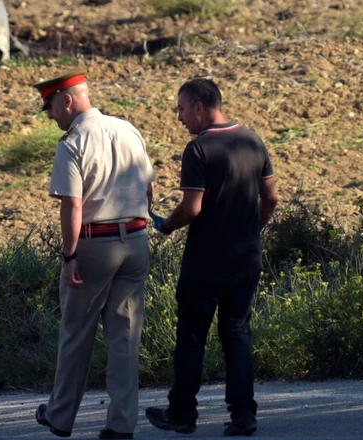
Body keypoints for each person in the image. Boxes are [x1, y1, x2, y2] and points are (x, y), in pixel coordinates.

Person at [143, 77, 279, 437]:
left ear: (200, 107)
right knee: (237, 333)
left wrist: (166, 226)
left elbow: (192, 207)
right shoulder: (252, 139)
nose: (179, 117)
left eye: (182, 109)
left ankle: (183, 413)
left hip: (205, 263)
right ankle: (243, 416)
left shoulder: (199, 149)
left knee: (191, 337)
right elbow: (272, 198)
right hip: (246, 258)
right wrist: (252, 230)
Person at [30, 72, 156, 440]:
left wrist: (70, 257)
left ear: (66, 101)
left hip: (94, 244)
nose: (50, 115)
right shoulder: (128, 128)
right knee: (125, 339)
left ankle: (60, 416)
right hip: (135, 240)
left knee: (76, 333)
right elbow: (149, 188)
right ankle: (121, 424)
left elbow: (72, 205)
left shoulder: (72, 143)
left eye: (51, 106)